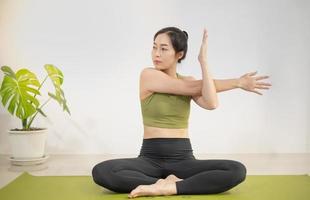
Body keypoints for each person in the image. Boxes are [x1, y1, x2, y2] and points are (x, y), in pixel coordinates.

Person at [92, 27, 271, 198]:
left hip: (183, 158)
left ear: (179, 54)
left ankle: (170, 187)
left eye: (163, 49)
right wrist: (237, 82)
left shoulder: (190, 81)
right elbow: (190, 87)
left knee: (236, 170)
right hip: (149, 159)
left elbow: (211, 103)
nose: (156, 53)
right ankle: (168, 184)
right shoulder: (148, 75)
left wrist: (204, 62)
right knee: (102, 172)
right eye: (154, 47)